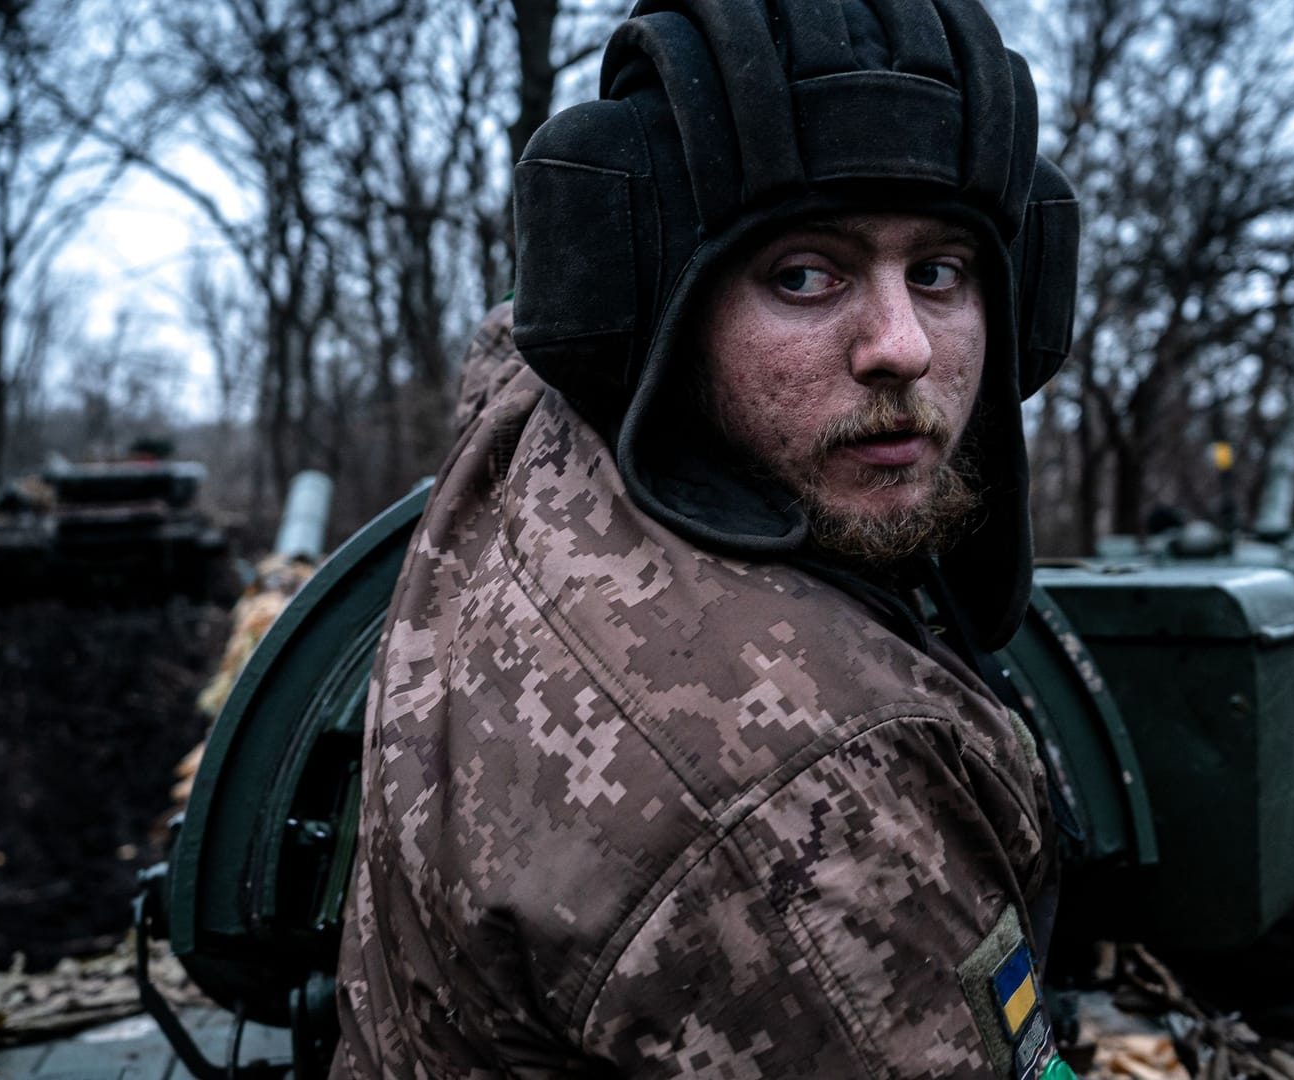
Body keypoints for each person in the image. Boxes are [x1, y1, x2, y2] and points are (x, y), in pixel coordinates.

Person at [333, 0, 1082, 1076]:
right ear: (652, 303)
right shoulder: (806, 798)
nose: (902, 348)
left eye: (941, 272)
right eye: (803, 275)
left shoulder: (546, 418)